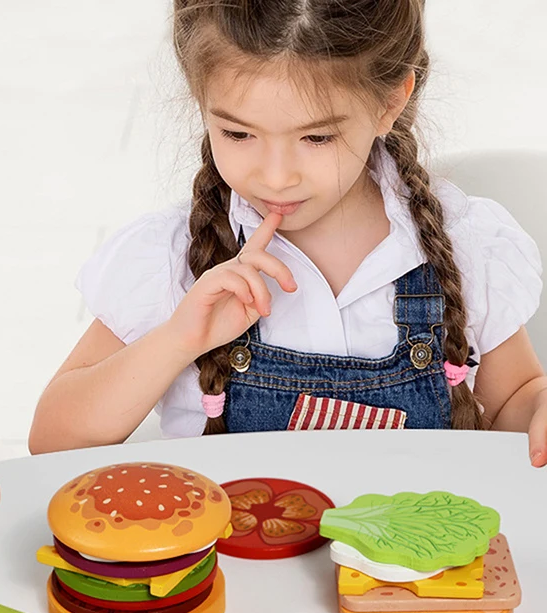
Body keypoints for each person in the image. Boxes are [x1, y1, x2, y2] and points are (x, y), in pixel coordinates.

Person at [29, 0, 543, 463]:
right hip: (238, 567)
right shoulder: (171, 256)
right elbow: (54, 440)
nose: (276, 176)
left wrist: (539, 408)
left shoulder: (467, 245)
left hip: (413, 566)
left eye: (316, 137)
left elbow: (513, 402)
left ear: (391, 102)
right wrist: (178, 340)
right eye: (238, 133)